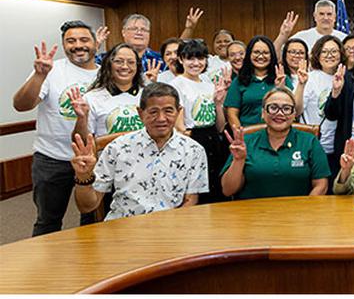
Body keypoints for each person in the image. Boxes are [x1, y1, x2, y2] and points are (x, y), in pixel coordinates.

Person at [71, 82, 208, 220]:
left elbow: (190, 201)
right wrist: (83, 177)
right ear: (140, 113)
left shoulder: (194, 150)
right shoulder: (117, 148)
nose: (161, 118)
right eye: (153, 112)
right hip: (123, 227)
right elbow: (87, 206)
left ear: (178, 112)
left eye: (168, 111)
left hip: (171, 228)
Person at [12, 20, 100, 236]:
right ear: (63, 45)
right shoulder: (51, 70)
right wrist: (39, 75)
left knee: (93, 219)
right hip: (52, 159)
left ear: (96, 44)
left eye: (84, 39)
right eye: (71, 41)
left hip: (93, 160)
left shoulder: (105, 75)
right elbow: (21, 105)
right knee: (48, 221)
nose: (78, 45)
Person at [221, 87, 330, 199]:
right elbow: (228, 190)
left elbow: (321, 185)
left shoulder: (310, 141)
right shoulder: (246, 142)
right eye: (273, 108)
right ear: (263, 113)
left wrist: (305, 210)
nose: (279, 113)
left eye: (286, 109)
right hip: (252, 214)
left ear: (294, 115)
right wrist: (238, 161)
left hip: (298, 213)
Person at [170, 39, 231, 203]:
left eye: (200, 58)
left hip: (212, 139)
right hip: (192, 138)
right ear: (181, 59)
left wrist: (219, 103)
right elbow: (179, 124)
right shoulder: (176, 84)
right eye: (190, 58)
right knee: (196, 191)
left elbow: (219, 126)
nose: (196, 63)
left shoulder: (208, 83)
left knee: (216, 190)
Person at [70, 44, 144, 142]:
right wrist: (82, 118)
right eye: (118, 61)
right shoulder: (92, 98)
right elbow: (81, 142)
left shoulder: (147, 95)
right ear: (109, 64)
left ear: (137, 67)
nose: (125, 66)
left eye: (131, 62)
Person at [224, 35, 296, 129]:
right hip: (249, 136)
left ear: (272, 55)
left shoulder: (282, 78)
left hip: (279, 133)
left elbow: (295, 110)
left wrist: (281, 88)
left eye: (266, 53)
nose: (261, 56)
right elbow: (232, 114)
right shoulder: (239, 80)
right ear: (249, 54)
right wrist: (241, 135)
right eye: (256, 52)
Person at [302, 36, 345, 184]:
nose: (329, 55)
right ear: (317, 55)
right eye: (324, 51)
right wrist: (301, 85)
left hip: (338, 148)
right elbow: (297, 109)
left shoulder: (347, 78)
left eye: (334, 51)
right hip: (314, 146)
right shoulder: (310, 78)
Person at [176, 7, 234, 83]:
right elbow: (181, 46)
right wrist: (189, 28)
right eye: (218, 42)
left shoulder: (239, 61)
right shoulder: (208, 60)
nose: (223, 44)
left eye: (227, 41)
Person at [97, 14, 164, 74]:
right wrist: (96, 46)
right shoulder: (109, 58)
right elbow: (89, 67)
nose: (139, 33)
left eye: (144, 29)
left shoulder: (160, 59)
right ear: (123, 32)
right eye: (134, 29)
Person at [276, 1, 348, 52]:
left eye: (329, 14)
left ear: (335, 17)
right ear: (315, 16)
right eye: (321, 14)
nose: (325, 18)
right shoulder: (300, 37)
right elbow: (276, 56)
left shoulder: (344, 39)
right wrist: (282, 35)